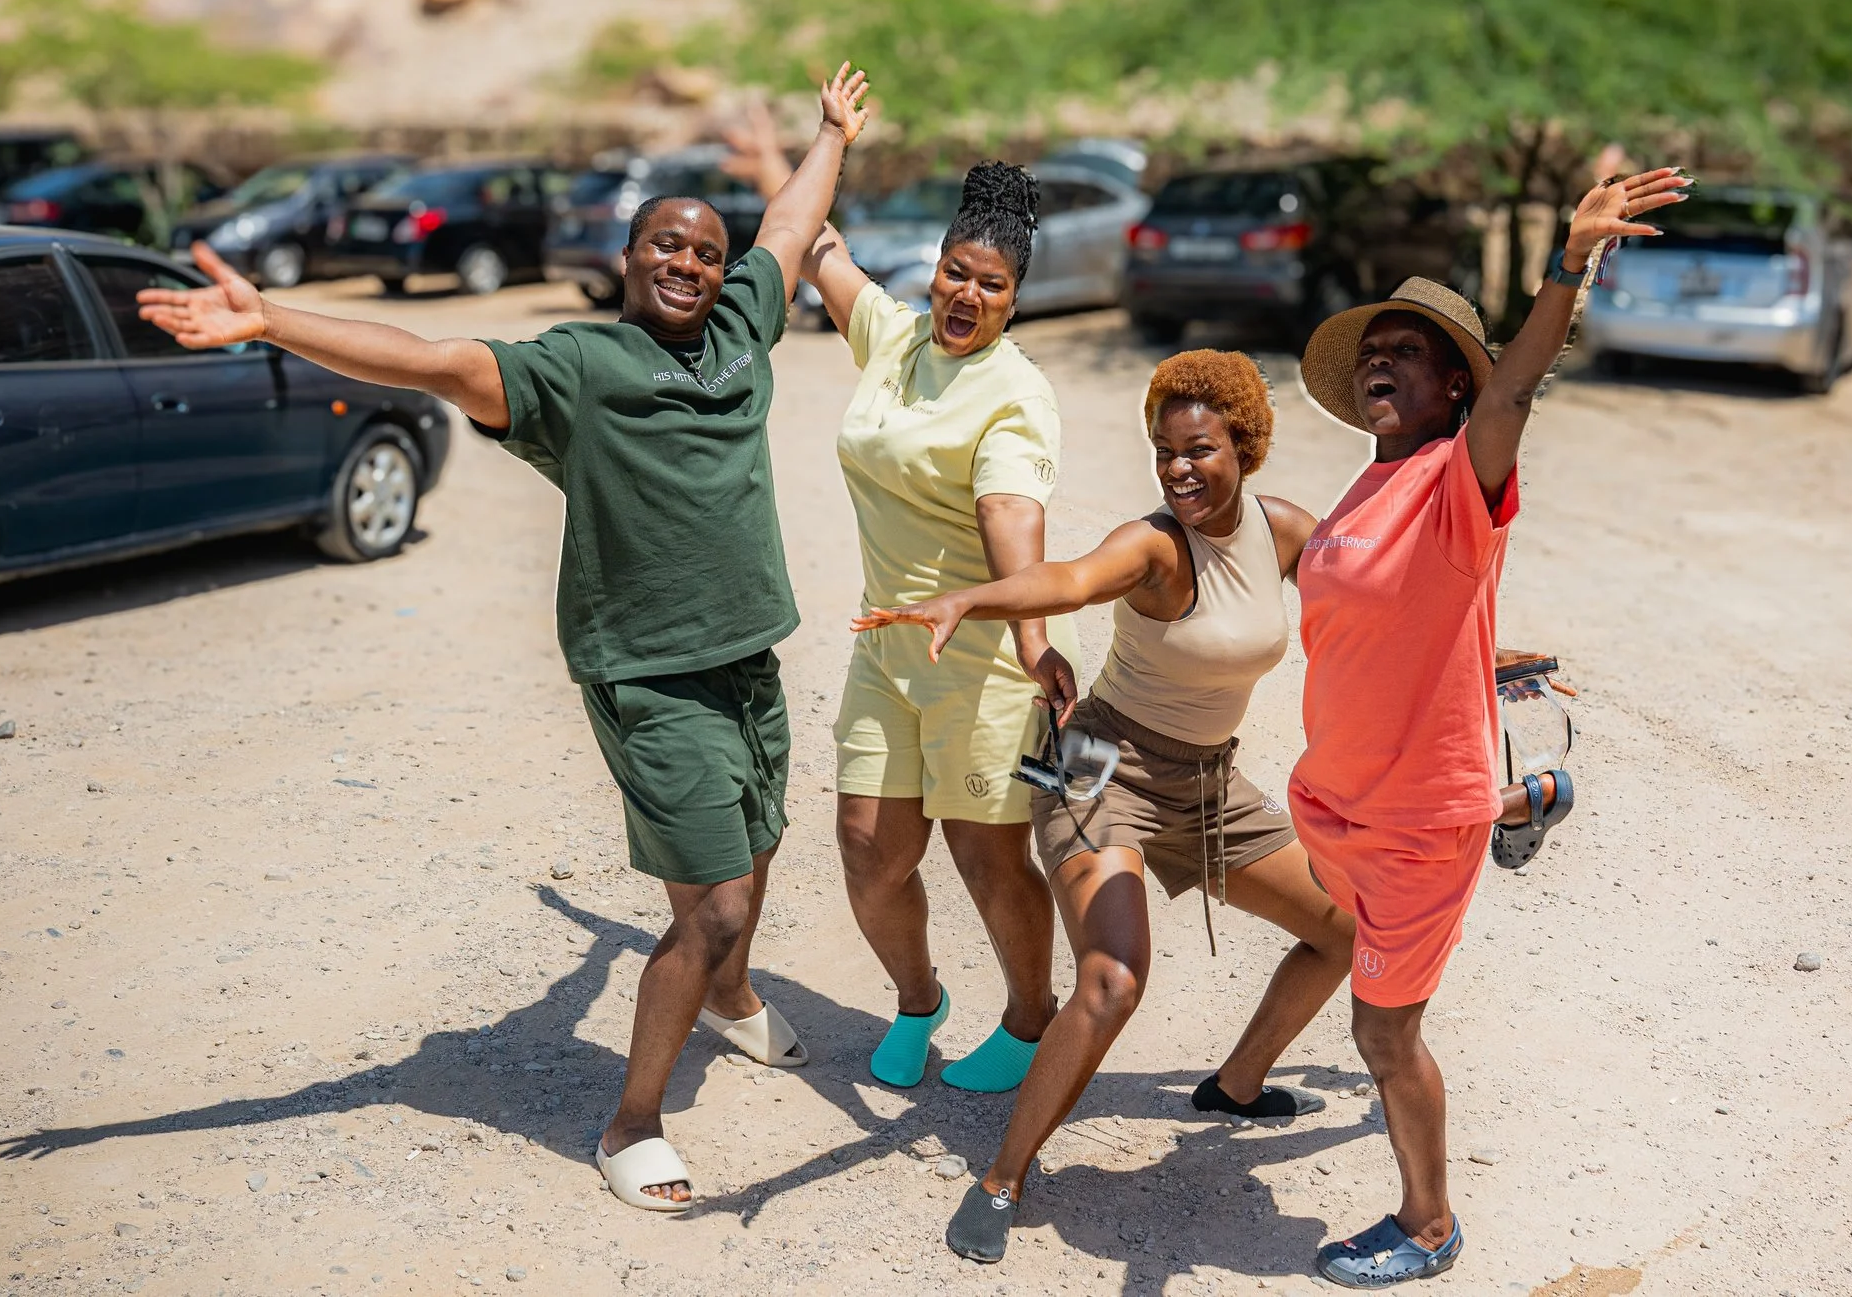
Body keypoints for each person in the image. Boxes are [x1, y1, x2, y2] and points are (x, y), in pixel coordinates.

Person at [135, 63, 874, 1216]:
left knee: (763, 834)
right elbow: (429, 360)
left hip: (748, 654)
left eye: (702, 251)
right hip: (646, 669)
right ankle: (632, 1118)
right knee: (717, 902)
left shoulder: (742, 324)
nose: (687, 263)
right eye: (664, 248)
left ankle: (728, 1000)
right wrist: (268, 317)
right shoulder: (575, 368)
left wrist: (831, 134)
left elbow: (790, 221)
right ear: (624, 262)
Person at [852, 349, 1359, 1265]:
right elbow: (1072, 577)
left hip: (1206, 782)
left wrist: (1478, 651)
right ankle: (1001, 1176)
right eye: (1164, 450)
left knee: (1343, 928)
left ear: (1244, 446)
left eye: (1199, 448)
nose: (1179, 468)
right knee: (1114, 976)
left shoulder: (1285, 532)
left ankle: (1236, 1085)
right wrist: (973, 598)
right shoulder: (1156, 544)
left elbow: (1370, 609)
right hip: (1092, 759)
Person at [1289, 167, 1685, 1288]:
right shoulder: (1362, 490)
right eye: (1376, 345)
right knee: (1352, 954)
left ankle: (1427, 1225)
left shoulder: (1458, 478)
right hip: (1336, 797)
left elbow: (1515, 397)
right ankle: (1528, 802)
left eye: (1410, 351)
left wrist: (1565, 266)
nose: (1382, 359)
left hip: (1416, 816)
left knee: (1381, 1036)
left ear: (1457, 388)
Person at [798, 162, 1079, 1094]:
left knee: (982, 853)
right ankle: (920, 1000)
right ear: (936, 268)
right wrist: (816, 149)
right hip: (886, 643)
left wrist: (1036, 643)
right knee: (867, 847)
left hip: (982, 659)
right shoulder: (896, 338)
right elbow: (820, 245)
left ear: (1014, 298)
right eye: (958, 271)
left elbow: (1012, 521)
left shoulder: (1014, 393)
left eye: (992, 284)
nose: (968, 294)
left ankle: (1031, 1020)